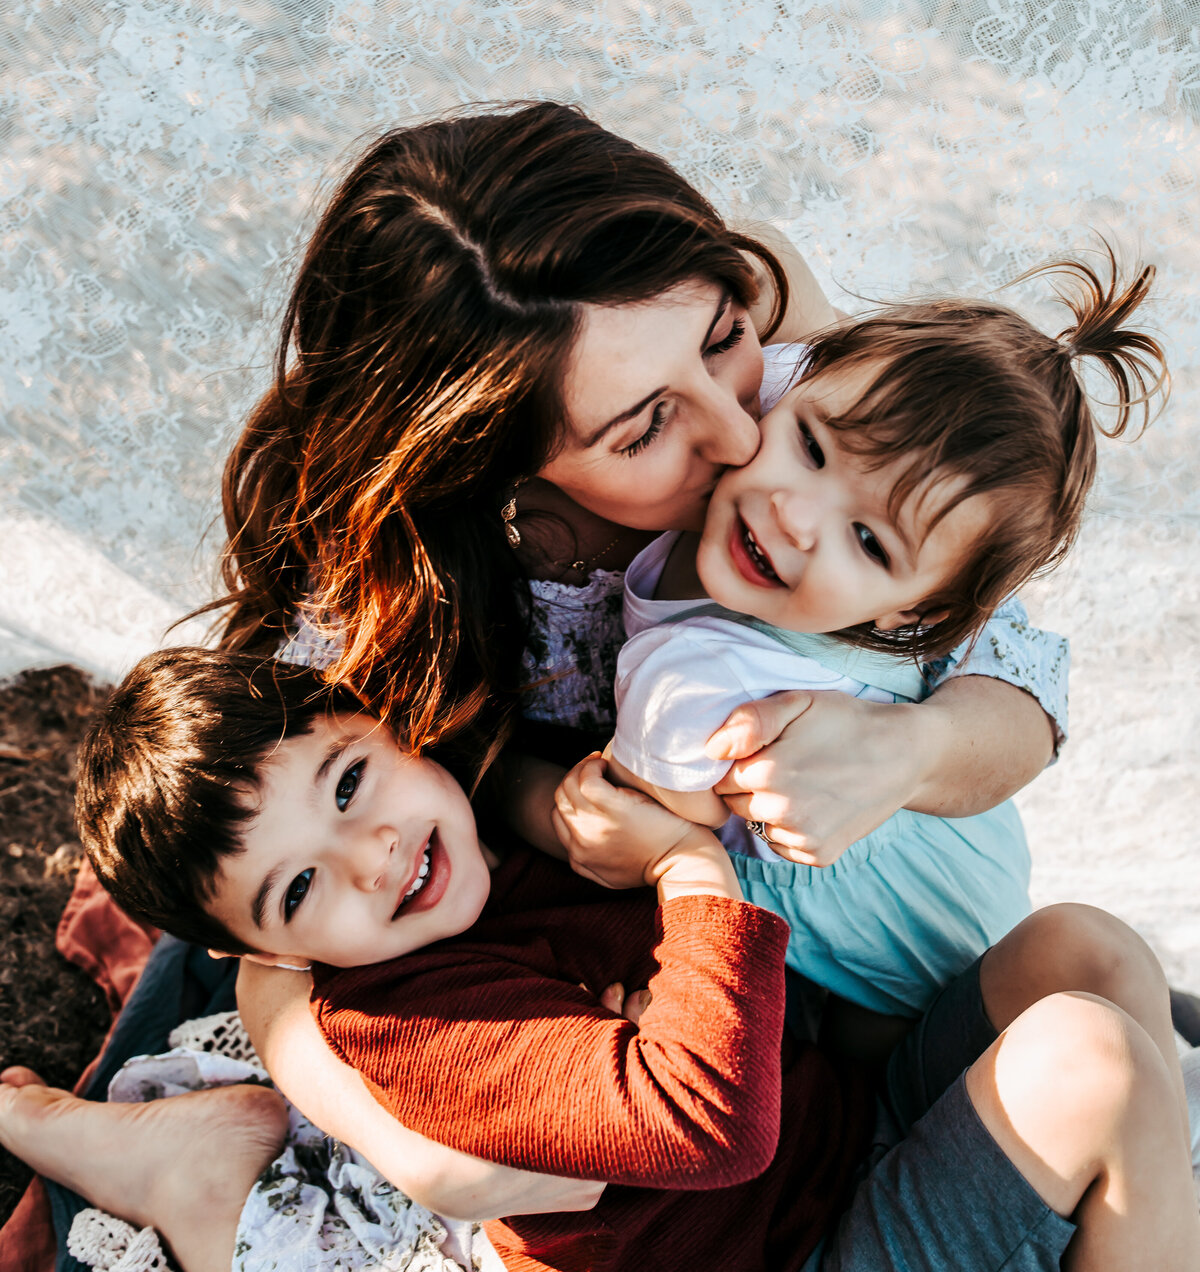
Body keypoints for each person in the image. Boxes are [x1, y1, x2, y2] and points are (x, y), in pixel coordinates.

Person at [13, 101, 1072, 1265]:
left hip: (772, 929)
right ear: (492, 464)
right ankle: (199, 1155)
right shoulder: (372, 615)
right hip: (510, 923)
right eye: (642, 428)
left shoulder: (767, 350)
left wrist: (910, 752)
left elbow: (1016, 670)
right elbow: (299, 895)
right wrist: (347, 1095)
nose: (739, 429)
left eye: (721, 340)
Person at [5, 646, 1196, 1272]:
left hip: (840, 1147)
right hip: (783, 1254)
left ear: (384, 723)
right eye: (302, 889)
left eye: (352, 783)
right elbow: (710, 1123)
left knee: (1077, 950)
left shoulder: (484, 829)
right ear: (260, 950)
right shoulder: (416, 1021)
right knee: (1087, 1062)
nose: (373, 856)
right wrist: (687, 872)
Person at [579, 256, 1165, 1024]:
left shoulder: (694, 684)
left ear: (917, 616)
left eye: (866, 540)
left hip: (901, 955)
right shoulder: (770, 372)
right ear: (792, 386)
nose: (795, 515)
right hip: (967, 882)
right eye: (812, 449)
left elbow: (607, 816)